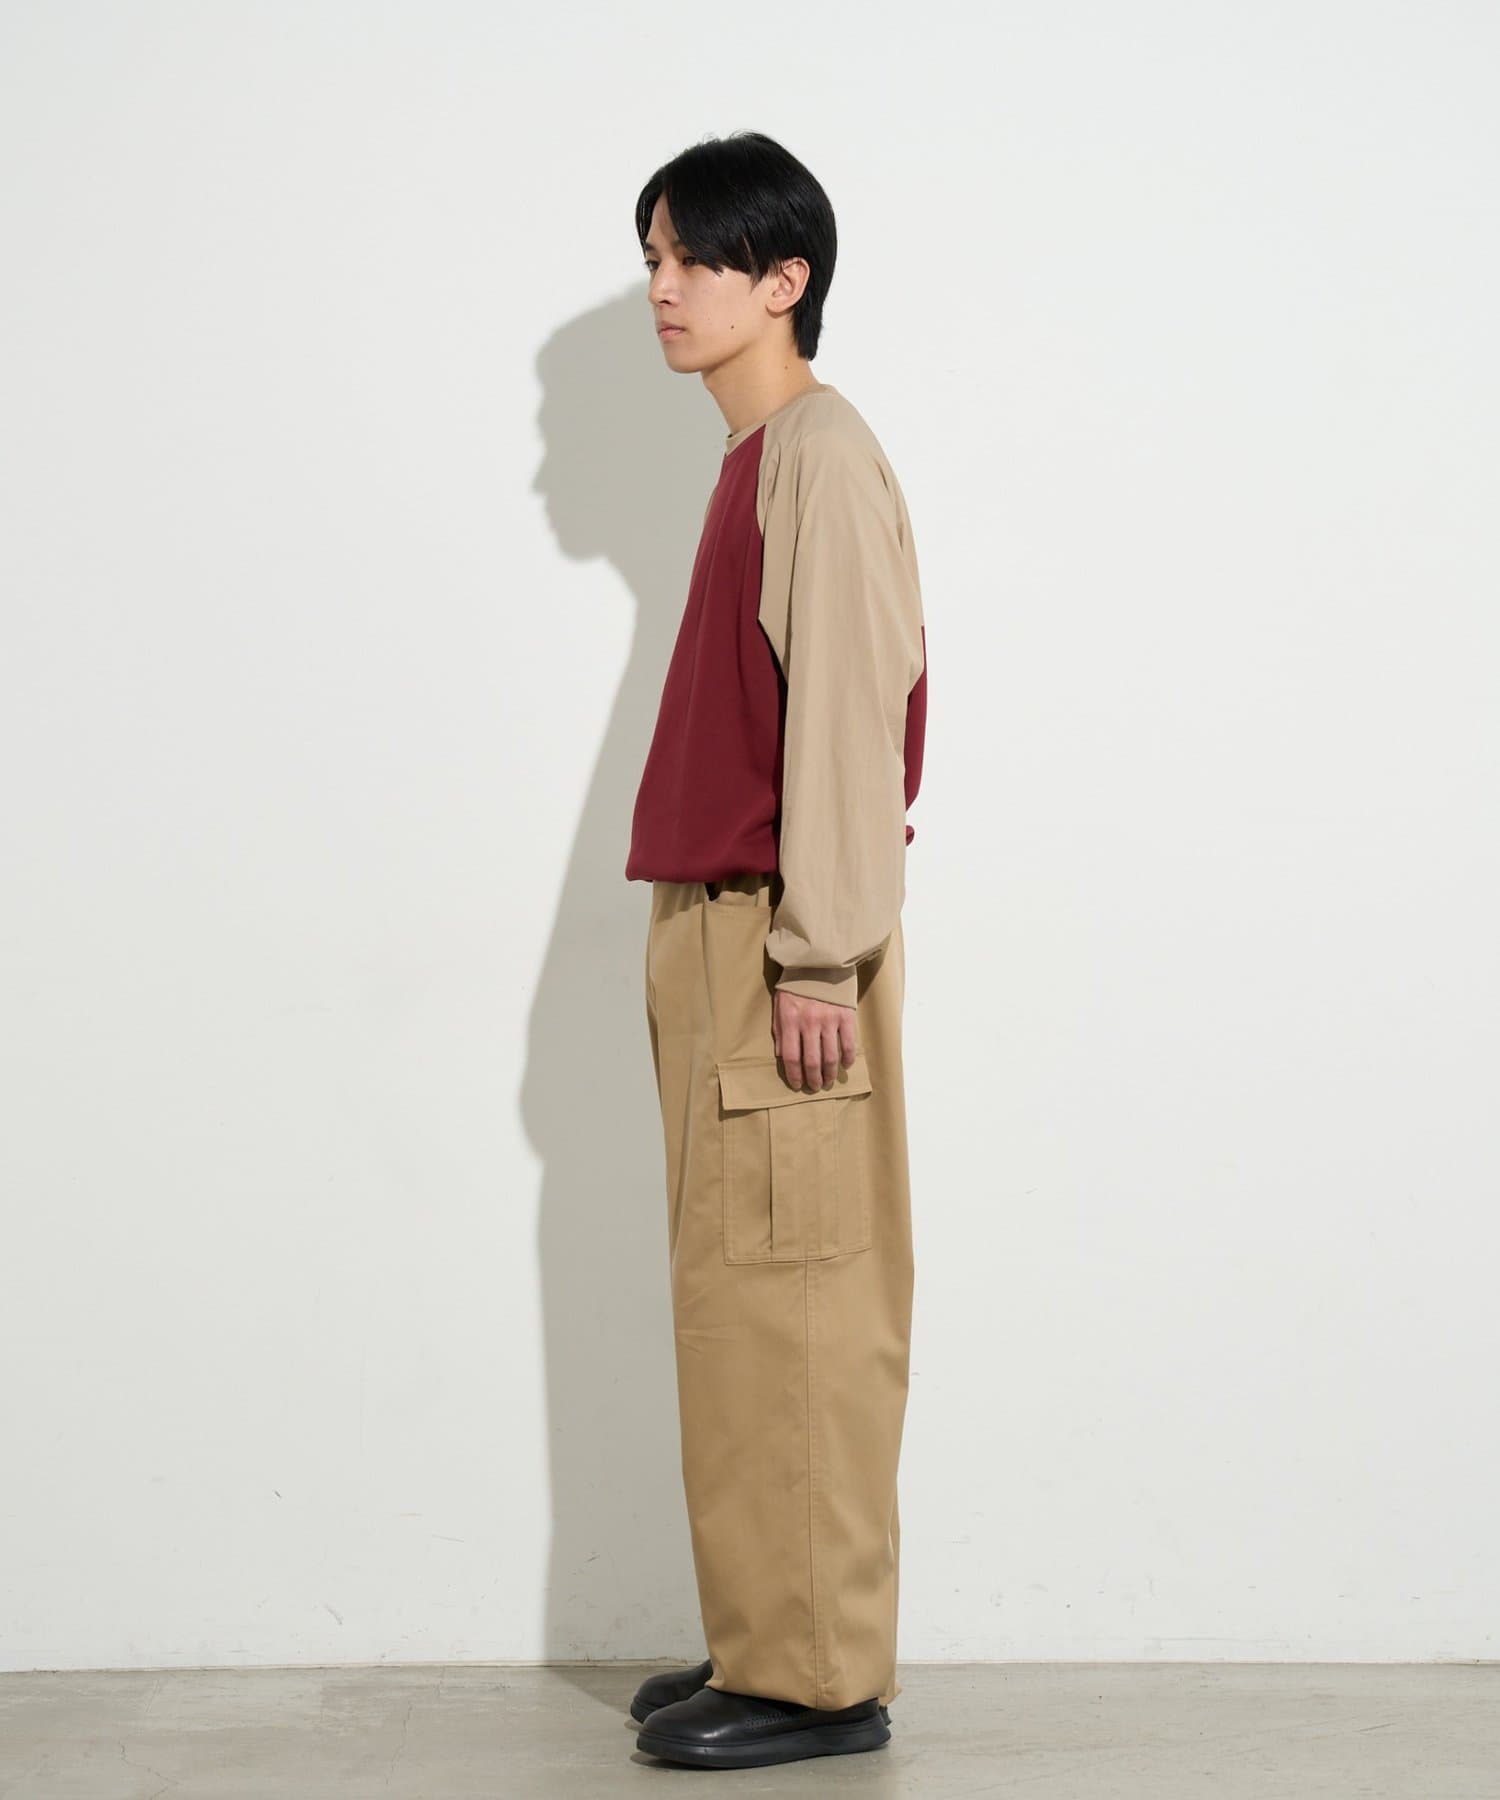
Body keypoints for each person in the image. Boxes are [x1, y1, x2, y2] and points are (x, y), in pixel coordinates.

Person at [624, 130, 928, 1771]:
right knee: (740, 1303)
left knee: (800, 1297)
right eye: (653, 259)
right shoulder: (755, 461)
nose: (663, 289)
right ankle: (769, 1629)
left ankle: (817, 1676)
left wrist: (819, 958)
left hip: (777, 940)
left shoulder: (818, 452)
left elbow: (851, 720)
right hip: (721, 930)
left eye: (694, 258)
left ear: (785, 278)